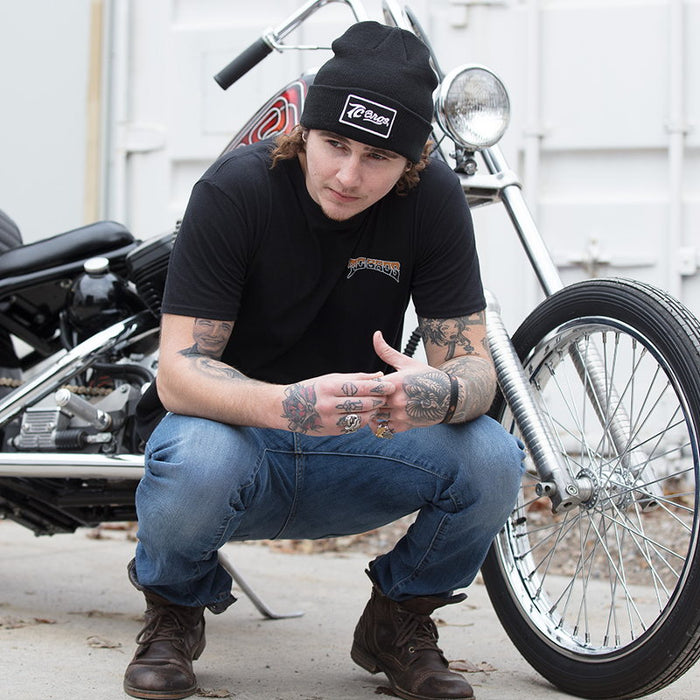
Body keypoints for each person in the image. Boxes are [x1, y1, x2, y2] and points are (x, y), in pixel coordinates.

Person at [124, 20, 524, 700]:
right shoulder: (235, 190)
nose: (346, 174)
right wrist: (288, 405)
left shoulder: (433, 202)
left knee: (492, 456)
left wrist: (436, 392)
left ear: (413, 161)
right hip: (237, 442)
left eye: (377, 158)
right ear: (305, 130)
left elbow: (477, 373)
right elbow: (180, 372)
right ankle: (173, 613)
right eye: (334, 144)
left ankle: (399, 621)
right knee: (193, 457)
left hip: (361, 443)